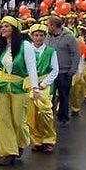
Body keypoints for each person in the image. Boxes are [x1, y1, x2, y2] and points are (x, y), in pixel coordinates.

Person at [0, 17, 40, 167]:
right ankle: (9, 152)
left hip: (18, 87)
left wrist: (35, 87)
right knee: (3, 120)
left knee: (18, 121)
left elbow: (32, 68)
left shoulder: (25, 46)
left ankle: (20, 143)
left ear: (14, 28)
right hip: (0, 87)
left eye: (6, 26)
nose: (3, 29)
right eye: (2, 26)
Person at [27, 23, 60, 153]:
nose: (38, 38)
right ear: (31, 36)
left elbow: (54, 70)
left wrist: (44, 83)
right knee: (32, 114)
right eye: (36, 35)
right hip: (29, 84)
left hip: (44, 85)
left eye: (41, 35)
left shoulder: (50, 51)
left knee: (45, 112)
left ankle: (49, 140)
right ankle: (37, 140)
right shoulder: (27, 50)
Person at [45, 16, 80, 126]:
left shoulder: (69, 37)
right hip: (50, 72)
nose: (47, 27)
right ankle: (48, 116)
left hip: (64, 72)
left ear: (53, 26)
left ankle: (64, 118)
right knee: (49, 95)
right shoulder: (47, 37)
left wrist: (72, 70)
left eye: (48, 25)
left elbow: (76, 54)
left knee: (63, 95)